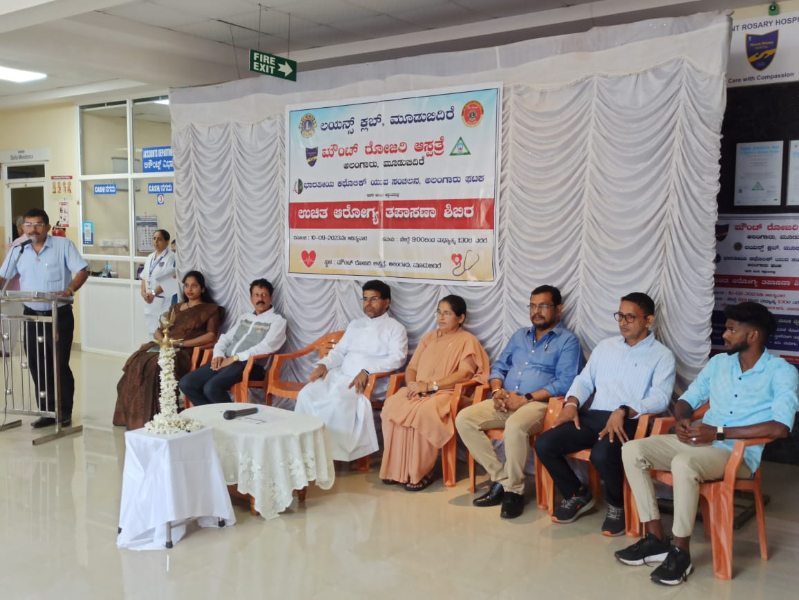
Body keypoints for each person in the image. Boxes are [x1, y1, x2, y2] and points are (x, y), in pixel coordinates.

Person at [615, 302, 798, 586]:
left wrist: (719, 433)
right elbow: (688, 399)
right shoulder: (719, 363)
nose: (725, 334)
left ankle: (680, 552)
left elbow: (780, 427)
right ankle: (655, 538)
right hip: (699, 441)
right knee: (632, 450)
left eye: (732, 330)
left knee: (684, 463)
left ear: (753, 335)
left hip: (737, 454)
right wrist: (683, 419)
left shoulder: (781, 372)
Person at [534, 292, 675, 536]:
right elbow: (584, 381)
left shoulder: (662, 355)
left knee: (602, 454)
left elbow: (661, 398)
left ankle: (617, 506)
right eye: (620, 316)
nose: (623, 322)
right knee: (545, 443)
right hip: (595, 416)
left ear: (648, 320)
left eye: (630, 317)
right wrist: (571, 404)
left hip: (629, 422)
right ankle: (577, 494)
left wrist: (624, 410)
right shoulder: (605, 347)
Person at [456, 285, 582, 518]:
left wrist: (525, 398)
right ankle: (502, 480)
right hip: (507, 399)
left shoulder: (568, 341)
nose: (536, 311)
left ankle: (514, 492)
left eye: (543, 306)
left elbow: (566, 382)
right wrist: (497, 392)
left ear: (559, 309)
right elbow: (499, 367)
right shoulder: (519, 336)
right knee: (464, 418)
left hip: (540, 405)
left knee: (514, 427)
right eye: (532, 306)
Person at [380, 295, 490, 491]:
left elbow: (464, 374)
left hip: (446, 394)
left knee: (423, 412)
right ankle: (397, 470)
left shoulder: (468, 340)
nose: (441, 317)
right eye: (439, 312)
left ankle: (421, 472)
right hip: (419, 390)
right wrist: (413, 385)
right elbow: (412, 367)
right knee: (391, 405)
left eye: (447, 313)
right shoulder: (429, 337)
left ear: (461, 318)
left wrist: (430, 386)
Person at [294, 280, 408, 462]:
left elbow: (398, 358)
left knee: (337, 401)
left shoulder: (395, 328)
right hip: (339, 375)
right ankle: (304, 449)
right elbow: (339, 351)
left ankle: (330, 456)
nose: (368, 304)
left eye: (374, 299)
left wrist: (367, 371)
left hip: (370, 382)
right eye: (365, 299)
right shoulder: (355, 324)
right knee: (306, 394)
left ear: (387, 302)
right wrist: (324, 364)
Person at [0, 209, 88, 427]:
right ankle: (47, 411)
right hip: (31, 314)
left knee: (58, 364)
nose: (33, 229)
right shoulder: (18, 249)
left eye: (38, 224)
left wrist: (68, 290)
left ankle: (64, 412)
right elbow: (4, 276)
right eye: (28, 225)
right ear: (23, 228)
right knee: (36, 363)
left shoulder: (63, 246)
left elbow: (82, 271)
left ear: (47, 227)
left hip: (58, 314)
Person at [113, 271, 221, 430]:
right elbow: (159, 330)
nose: (189, 289)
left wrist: (182, 343)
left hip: (184, 351)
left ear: (202, 289)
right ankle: (133, 416)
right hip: (164, 346)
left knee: (155, 366)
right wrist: (163, 341)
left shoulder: (210, 310)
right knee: (138, 361)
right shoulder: (176, 308)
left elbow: (211, 336)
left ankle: (158, 415)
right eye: (186, 285)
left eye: (194, 286)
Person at [179, 278, 287, 405]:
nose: (260, 299)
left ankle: (231, 416)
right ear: (251, 298)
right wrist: (218, 355)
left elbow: (267, 346)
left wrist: (235, 358)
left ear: (271, 298)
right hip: (226, 361)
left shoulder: (277, 320)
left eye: (264, 295)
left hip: (250, 366)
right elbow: (225, 338)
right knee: (186, 383)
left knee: (211, 388)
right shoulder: (245, 317)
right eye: (256, 295)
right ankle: (214, 414)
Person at [140, 229, 177, 337]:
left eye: (159, 239)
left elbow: (169, 280)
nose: (156, 242)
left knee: (163, 332)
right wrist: (143, 292)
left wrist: (153, 293)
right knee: (151, 332)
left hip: (163, 301)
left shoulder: (171, 257)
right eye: (154, 239)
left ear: (167, 241)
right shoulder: (150, 257)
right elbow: (144, 277)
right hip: (149, 301)